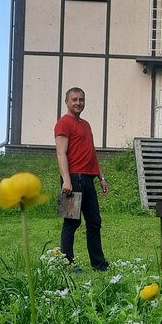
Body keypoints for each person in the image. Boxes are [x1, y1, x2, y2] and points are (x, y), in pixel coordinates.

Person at [54, 87, 110, 270]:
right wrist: (66, 179)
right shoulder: (63, 123)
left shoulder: (86, 125)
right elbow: (61, 153)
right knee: (71, 222)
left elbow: (91, 153)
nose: (78, 103)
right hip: (72, 180)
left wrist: (101, 177)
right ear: (67, 102)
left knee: (94, 222)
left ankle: (99, 264)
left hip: (88, 180)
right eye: (74, 99)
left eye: (81, 99)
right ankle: (67, 264)